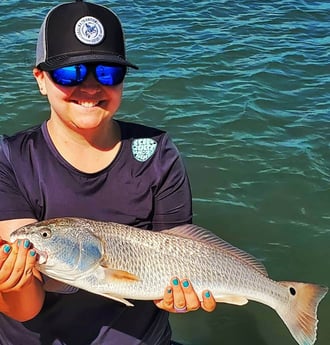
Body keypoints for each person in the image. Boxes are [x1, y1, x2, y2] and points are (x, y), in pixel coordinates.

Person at [0, 1, 216, 344]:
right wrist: (12, 282)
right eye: (69, 74)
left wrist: (181, 299)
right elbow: (25, 308)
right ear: (40, 79)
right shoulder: (9, 159)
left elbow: (181, 250)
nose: (89, 87)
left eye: (107, 73)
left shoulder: (157, 151)